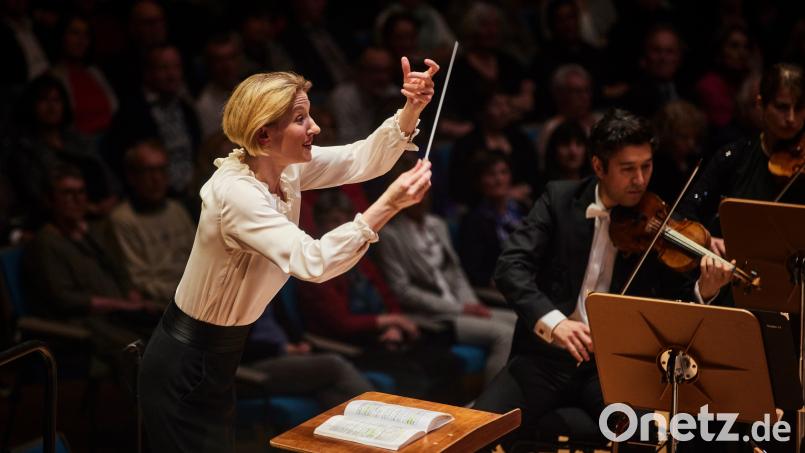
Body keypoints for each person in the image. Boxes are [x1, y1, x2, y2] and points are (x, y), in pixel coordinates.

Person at [138, 55, 440, 452]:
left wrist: (412, 107)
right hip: (185, 361)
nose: (315, 127)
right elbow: (312, 263)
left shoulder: (284, 167)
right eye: (301, 119)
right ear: (264, 135)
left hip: (218, 356)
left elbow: (359, 158)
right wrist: (386, 206)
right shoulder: (236, 194)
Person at [472, 109, 734, 447]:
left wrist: (703, 289)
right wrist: (556, 323)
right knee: (480, 431)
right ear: (599, 167)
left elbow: (673, 304)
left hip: (608, 369)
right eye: (628, 169)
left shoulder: (658, 225)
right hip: (543, 359)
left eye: (646, 166)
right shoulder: (559, 200)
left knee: (645, 436)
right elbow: (510, 267)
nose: (640, 180)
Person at [679, 63, 805, 257]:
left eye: (800, 108)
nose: (791, 118)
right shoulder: (733, 156)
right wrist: (707, 239)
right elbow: (688, 208)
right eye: (782, 107)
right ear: (761, 104)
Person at [110, 140, 195, 305]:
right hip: (164, 304)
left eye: (162, 170)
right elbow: (139, 281)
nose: (156, 178)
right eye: (148, 171)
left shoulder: (176, 209)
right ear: (132, 177)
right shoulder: (123, 219)